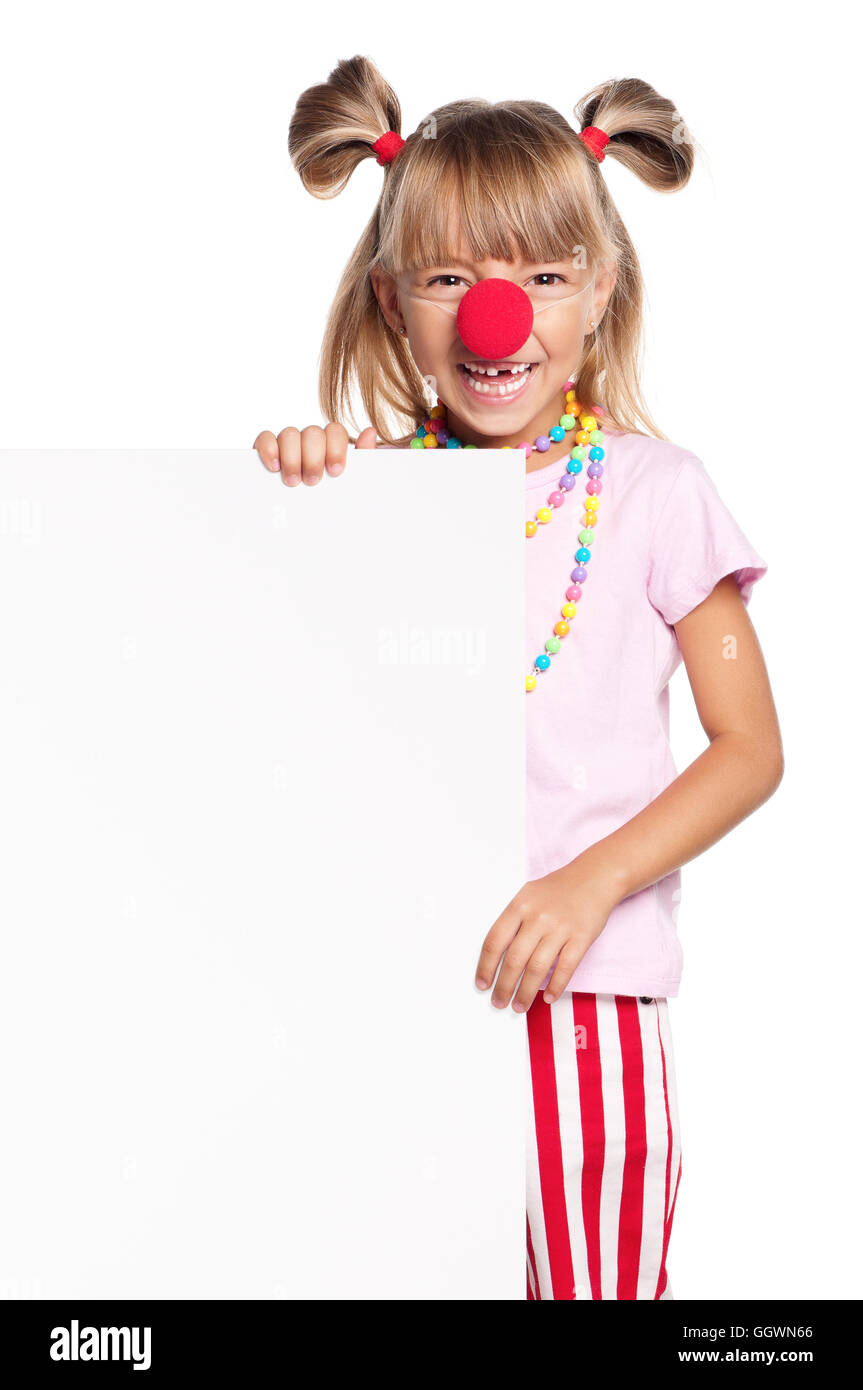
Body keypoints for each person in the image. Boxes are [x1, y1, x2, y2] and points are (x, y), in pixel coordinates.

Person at [252, 55, 784, 1300]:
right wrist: (290, 492)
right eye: (452, 280)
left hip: (586, 1011)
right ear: (392, 303)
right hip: (393, 1000)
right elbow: (288, 699)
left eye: (543, 277)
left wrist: (587, 884)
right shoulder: (368, 499)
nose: (500, 317)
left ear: (600, 292)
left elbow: (748, 744)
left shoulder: (657, 494)